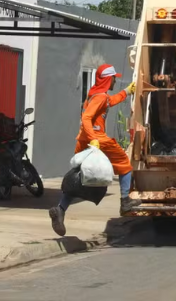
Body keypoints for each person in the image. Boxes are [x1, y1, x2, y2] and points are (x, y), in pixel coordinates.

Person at [49, 64, 140, 237]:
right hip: (97, 138)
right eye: (113, 78)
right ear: (108, 79)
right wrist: (94, 139)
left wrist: (127, 91)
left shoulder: (94, 95)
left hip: (83, 139)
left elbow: (111, 101)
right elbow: (86, 118)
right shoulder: (100, 97)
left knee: (78, 178)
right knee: (124, 164)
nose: (115, 81)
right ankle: (125, 200)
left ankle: (60, 209)